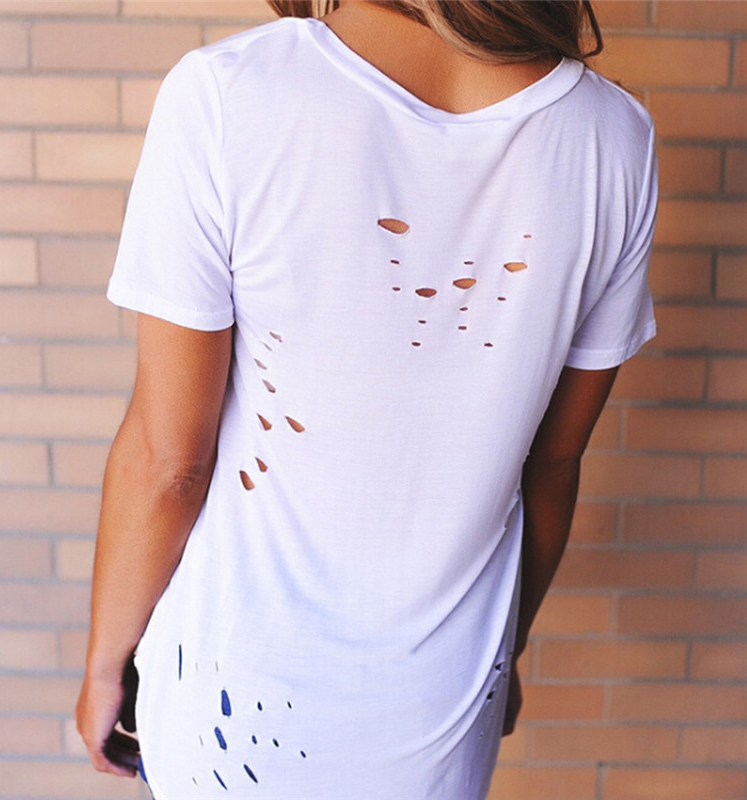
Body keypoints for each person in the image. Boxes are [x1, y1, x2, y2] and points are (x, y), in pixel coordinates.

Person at [75, 1, 658, 798]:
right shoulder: (614, 136)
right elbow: (552, 466)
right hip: (444, 705)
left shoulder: (231, 93)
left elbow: (168, 462)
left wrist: (105, 664)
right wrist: (503, 648)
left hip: (227, 701)